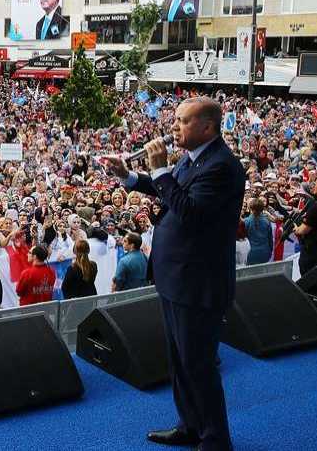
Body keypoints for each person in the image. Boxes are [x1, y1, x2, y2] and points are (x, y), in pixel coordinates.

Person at [103, 96, 245, 451]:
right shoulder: (196, 158)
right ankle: (190, 426)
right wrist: (130, 175)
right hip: (175, 279)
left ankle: (215, 440)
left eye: (182, 121)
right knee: (180, 362)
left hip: (198, 283)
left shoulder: (222, 167)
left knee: (199, 364)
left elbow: (189, 212)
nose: (174, 127)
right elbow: (169, 190)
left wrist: (161, 168)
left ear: (207, 128)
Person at [295, 176, 317, 275]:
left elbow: (303, 230)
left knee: (309, 282)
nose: (313, 187)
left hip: (313, 251)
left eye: (316, 184)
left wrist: (296, 228)